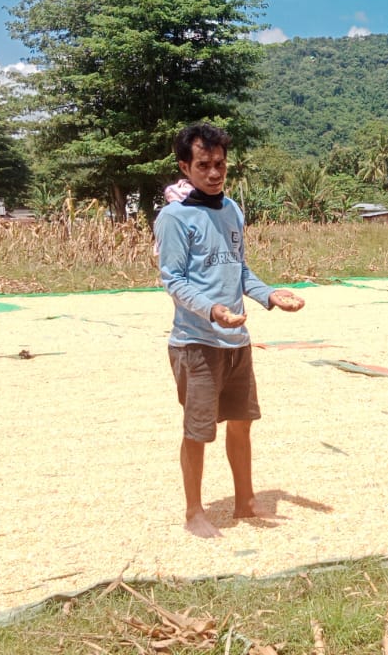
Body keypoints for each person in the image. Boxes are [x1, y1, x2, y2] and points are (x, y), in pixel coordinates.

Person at [154, 122, 306, 538]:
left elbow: (240, 271)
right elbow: (173, 280)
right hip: (196, 342)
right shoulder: (174, 218)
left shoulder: (233, 210)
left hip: (237, 341)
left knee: (241, 422)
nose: (214, 173)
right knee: (198, 431)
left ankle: (245, 501)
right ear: (185, 167)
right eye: (203, 165)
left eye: (220, 164)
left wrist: (270, 295)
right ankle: (193, 512)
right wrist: (212, 310)